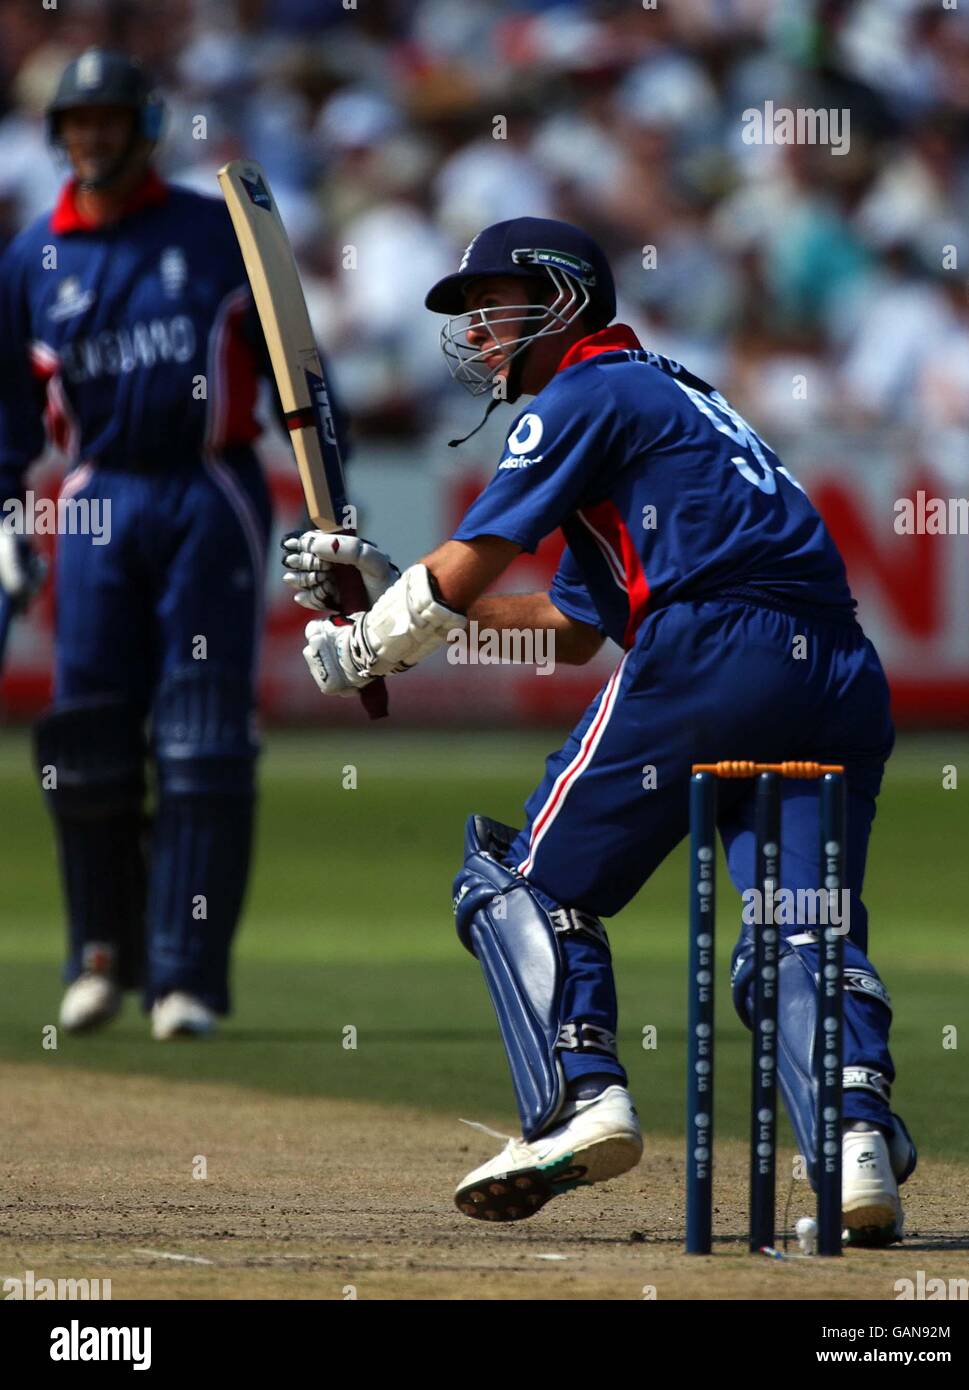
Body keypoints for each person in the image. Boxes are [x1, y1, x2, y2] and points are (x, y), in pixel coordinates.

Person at [281, 216, 916, 1244]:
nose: (478, 331)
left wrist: (365, 646)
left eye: (494, 305)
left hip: (714, 647)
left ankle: (582, 1100)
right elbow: (571, 631)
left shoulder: (586, 390)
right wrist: (397, 590)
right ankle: (852, 1147)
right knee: (798, 919)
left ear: (561, 296)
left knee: (521, 882)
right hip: (837, 671)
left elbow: (480, 556)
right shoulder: (672, 399)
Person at [0, 48, 274, 1039]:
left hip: (208, 488)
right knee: (88, 743)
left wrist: (334, 514)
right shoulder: (31, 258)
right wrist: (4, 512)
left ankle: (186, 975)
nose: (94, 136)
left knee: (202, 744)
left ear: (143, 125)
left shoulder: (217, 231)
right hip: (96, 502)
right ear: (60, 134)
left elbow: (300, 374)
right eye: (79, 123)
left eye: (110, 119)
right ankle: (98, 956)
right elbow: (10, 413)